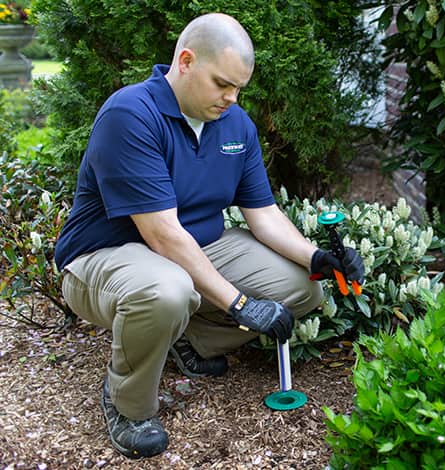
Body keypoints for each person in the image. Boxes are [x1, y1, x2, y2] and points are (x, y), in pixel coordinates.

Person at [54, 13, 364, 460]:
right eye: (222, 84)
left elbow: (264, 215)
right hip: (106, 257)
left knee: (301, 289)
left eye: (239, 88)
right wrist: (240, 305)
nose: (231, 98)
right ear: (185, 61)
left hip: (197, 246)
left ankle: (188, 340)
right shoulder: (130, 115)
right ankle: (128, 404)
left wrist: (316, 258)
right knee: (166, 290)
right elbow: (162, 236)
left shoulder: (236, 125)